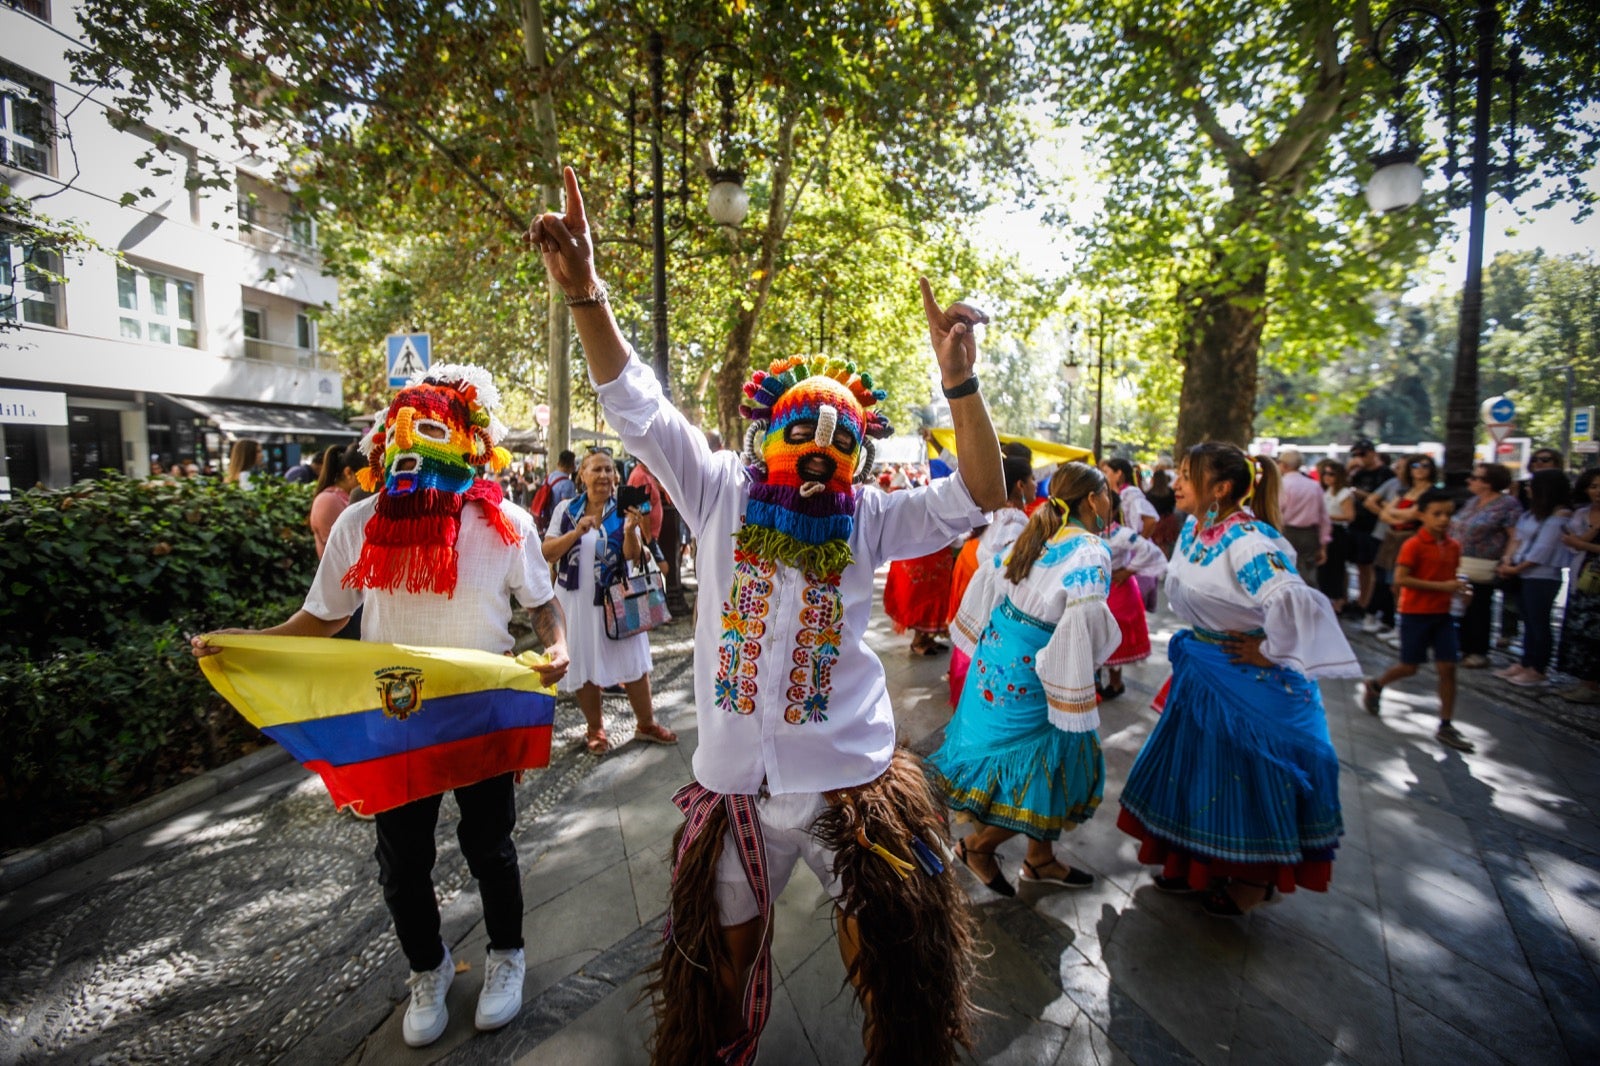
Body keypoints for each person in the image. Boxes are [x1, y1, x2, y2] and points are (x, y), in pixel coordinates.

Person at [529, 165, 1003, 1066]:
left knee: (893, 964)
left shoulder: (868, 516)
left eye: (841, 441)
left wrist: (960, 386)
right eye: (804, 433)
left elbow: (977, 494)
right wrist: (587, 293)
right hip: (736, 782)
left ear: (858, 457)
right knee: (724, 957)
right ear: (764, 439)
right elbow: (636, 402)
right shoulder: (715, 493)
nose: (822, 451)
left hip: (851, 784)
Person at [191, 365, 570, 1048]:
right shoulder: (360, 524)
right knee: (401, 862)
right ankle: (427, 969)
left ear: (469, 442)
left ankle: (507, 956)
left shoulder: (507, 523)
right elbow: (322, 618)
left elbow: (542, 605)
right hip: (395, 713)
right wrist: (244, 644)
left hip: (479, 709)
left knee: (490, 845)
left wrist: (560, 645)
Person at [1117, 442, 1359, 918]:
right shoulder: (1197, 529)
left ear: (1220, 489)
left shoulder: (1248, 540)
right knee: (1201, 771)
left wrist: (1271, 650)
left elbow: (1292, 596)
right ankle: (1194, 862)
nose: (1177, 483)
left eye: (1187, 475)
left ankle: (1251, 879)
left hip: (1246, 681)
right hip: (1205, 673)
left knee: (1246, 776)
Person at [927, 462, 1121, 897]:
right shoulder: (1090, 550)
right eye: (1107, 494)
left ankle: (1040, 858)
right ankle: (977, 848)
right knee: (1050, 763)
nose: (1110, 502)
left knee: (1045, 762)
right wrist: (1073, 676)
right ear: (1091, 500)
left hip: (999, 655)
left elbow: (991, 573)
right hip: (1037, 668)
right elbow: (1084, 624)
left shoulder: (1040, 530)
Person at [543, 449, 677, 755]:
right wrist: (576, 533)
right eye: (597, 469)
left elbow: (634, 555)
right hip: (576, 601)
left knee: (633, 662)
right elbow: (548, 552)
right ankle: (595, 729)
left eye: (609, 470)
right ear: (582, 475)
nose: (604, 475)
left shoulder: (625, 508)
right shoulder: (566, 509)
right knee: (584, 663)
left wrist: (631, 531)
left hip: (619, 596)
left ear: (616, 477)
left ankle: (646, 723)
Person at [1362, 490, 1475, 752]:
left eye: (1448, 514)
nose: (1443, 519)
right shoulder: (1413, 545)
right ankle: (1376, 684)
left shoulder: (1453, 546)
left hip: (1443, 614)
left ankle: (1446, 723)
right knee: (1409, 666)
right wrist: (1442, 586)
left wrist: (1462, 591)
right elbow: (1401, 578)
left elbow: (1454, 577)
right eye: (1437, 514)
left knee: (1448, 668)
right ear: (1422, 515)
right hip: (1416, 614)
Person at [947, 455, 1035, 705]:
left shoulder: (999, 513)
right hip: (992, 600)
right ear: (1020, 485)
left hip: (979, 588)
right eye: (1032, 479)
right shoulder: (1014, 520)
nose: (1036, 485)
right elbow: (1012, 569)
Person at [1495, 469, 1574, 687]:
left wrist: (1516, 568)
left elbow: (1544, 550)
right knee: (1528, 621)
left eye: (1532, 485)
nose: (1527, 489)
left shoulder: (1560, 516)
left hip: (1542, 577)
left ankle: (1538, 668)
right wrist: (1507, 560)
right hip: (1521, 572)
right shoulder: (1531, 513)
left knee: (1539, 623)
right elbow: (1517, 538)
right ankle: (1525, 662)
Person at [1450, 462, 1522, 668]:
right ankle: (1462, 646)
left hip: (1483, 564)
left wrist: (1507, 558)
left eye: (1475, 477)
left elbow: (1514, 535)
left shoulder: (1508, 504)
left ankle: (1478, 651)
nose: (1469, 480)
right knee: (1460, 604)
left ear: (1488, 483)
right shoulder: (1473, 501)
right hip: (1460, 561)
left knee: (1479, 607)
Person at [1100, 493, 1167, 699]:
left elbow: (1150, 551)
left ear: (1112, 510)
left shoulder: (1122, 534)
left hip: (1117, 590)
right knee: (1096, 635)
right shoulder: (1089, 531)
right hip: (1098, 588)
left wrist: (1128, 570)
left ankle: (1115, 682)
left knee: (1112, 636)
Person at [1366, 453, 1437, 644]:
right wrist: (1399, 515)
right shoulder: (1405, 490)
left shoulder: (1431, 493)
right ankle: (1401, 627)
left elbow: (1415, 514)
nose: (1420, 469)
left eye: (1425, 465)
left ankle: (1411, 631)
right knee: (1395, 586)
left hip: (1416, 541)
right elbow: (1386, 515)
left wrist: (1397, 514)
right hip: (1394, 540)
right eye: (1415, 465)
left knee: (1409, 586)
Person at [1556, 468, 1600, 703]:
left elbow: (1579, 544)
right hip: (1582, 579)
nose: (1598, 492)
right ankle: (1586, 683)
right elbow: (1571, 544)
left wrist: (1587, 544)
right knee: (1581, 631)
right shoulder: (1581, 513)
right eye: (1593, 486)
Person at [1347, 440, 1393, 627]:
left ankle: (1369, 604)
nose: (1359, 459)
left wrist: (1362, 495)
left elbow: (1384, 501)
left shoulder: (1386, 474)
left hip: (1374, 527)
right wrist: (1349, 472)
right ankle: (1361, 600)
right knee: (1361, 566)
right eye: (1356, 455)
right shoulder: (1358, 473)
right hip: (1357, 525)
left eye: (1362, 454)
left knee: (1373, 567)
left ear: (1373, 453)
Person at [1276, 447, 1330, 588]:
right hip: (1310, 534)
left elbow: (1276, 510)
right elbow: (1324, 517)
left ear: (1284, 465)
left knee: (1286, 571)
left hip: (1287, 532)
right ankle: (1310, 603)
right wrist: (1323, 544)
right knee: (1308, 572)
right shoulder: (1314, 485)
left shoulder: (1282, 485)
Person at [1315, 459, 1356, 613]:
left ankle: (1339, 600)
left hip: (1338, 533)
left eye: (1331, 474)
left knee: (1336, 568)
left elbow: (1349, 516)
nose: (1327, 476)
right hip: (1326, 531)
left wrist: (1327, 516)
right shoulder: (1327, 491)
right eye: (1324, 473)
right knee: (1325, 569)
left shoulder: (1344, 493)